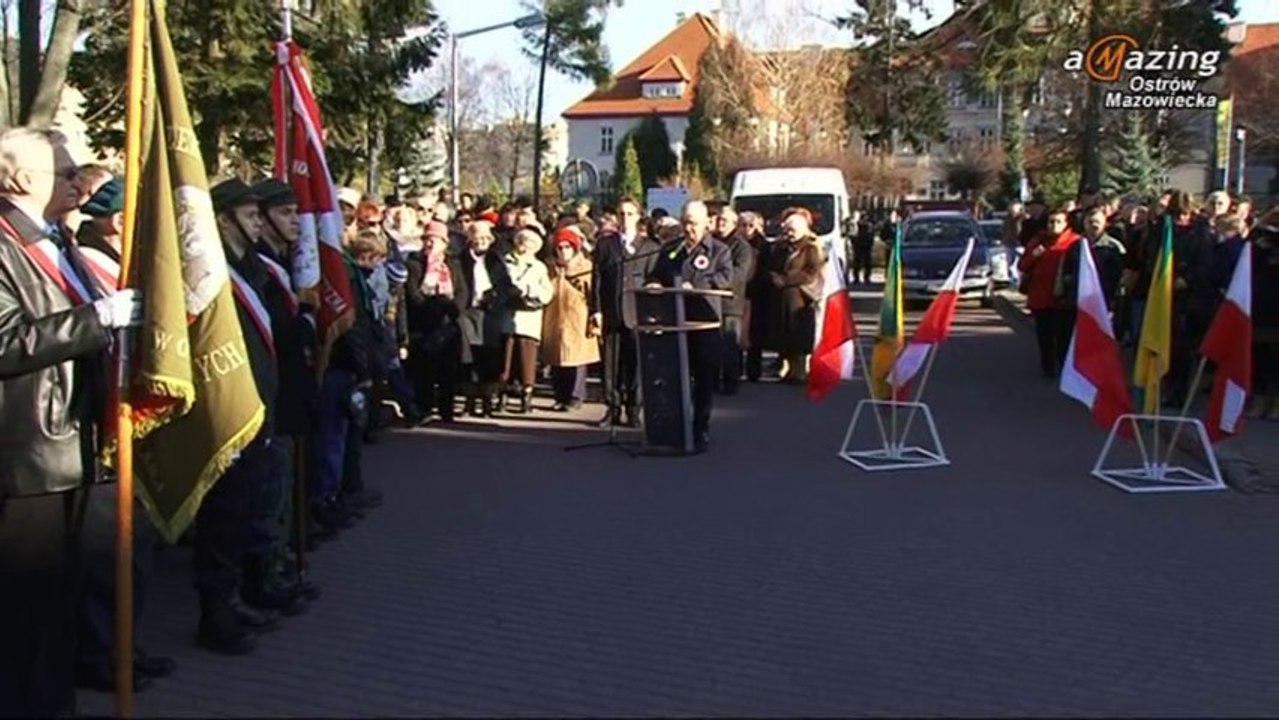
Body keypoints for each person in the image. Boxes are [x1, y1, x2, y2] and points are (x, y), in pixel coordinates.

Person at [0, 129, 141, 715]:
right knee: (23, 609)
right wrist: (97, 319)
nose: (78, 181)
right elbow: (6, 340)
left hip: (75, 440)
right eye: (63, 170)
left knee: (60, 601)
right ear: (20, 179)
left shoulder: (56, 239)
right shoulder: (6, 245)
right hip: (27, 454)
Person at [251, 178, 322, 605]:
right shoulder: (258, 266)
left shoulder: (281, 262)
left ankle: (278, 567)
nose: (296, 221)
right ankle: (264, 578)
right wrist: (304, 321)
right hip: (271, 392)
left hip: (291, 389)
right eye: (284, 214)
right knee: (267, 490)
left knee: (279, 485)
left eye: (297, 213)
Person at [645, 200, 732, 452]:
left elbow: (726, 278)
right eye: (684, 222)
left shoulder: (718, 250)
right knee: (675, 376)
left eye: (693, 223)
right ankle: (675, 426)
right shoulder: (672, 249)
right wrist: (655, 285)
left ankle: (700, 426)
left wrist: (697, 286)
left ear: (707, 223)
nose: (688, 228)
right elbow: (657, 274)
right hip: (674, 322)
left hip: (703, 322)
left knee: (703, 378)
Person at [591, 196, 661, 427]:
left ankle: (634, 409)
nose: (625, 218)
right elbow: (598, 279)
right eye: (621, 214)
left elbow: (656, 277)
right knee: (610, 364)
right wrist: (596, 310)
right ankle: (612, 408)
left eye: (630, 214)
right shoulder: (606, 244)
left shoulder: (649, 247)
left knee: (636, 364)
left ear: (638, 216)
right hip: (612, 312)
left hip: (637, 313)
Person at [404, 221, 462, 423]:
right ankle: (425, 407)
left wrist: (451, 308)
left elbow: (462, 291)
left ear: (445, 243)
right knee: (423, 372)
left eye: (435, 240)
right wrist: (435, 306)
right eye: (427, 239)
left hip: (448, 325)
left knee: (448, 372)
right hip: (422, 324)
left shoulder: (453, 264)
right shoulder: (414, 264)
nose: (430, 243)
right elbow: (413, 294)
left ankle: (447, 410)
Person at [457, 219, 515, 417]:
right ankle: (470, 400)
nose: (481, 241)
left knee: (489, 357)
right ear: (470, 239)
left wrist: (496, 297)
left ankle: (487, 401)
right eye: (477, 238)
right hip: (468, 312)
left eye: (485, 238)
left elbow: (506, 286)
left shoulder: (495, 260)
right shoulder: (461, 259)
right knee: (469, 357)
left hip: (490, 313)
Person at [542, 226, 599, 411]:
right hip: (554, 317)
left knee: (577, 360)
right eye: (560, 247)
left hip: (578, 317)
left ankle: (576, 396)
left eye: (567, 247)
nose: (563, 251)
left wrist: (594, 315)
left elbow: (593, 293)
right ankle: (560, 396)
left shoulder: (586, 267)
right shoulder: (549, 268)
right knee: (557, 359)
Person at [1018, 207, 1080, 378]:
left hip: (1064, 299)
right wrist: (1034, 256)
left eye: (1058, 221)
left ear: (1066, 224)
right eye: (1051, 221)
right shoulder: (1038, 241)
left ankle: (1066, 368)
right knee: (1044, 336)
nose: (1054, 225)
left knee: (1064, 336)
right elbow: (1022, 266)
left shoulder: (1075, 242)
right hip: (1041, 297)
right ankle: (1048, 368)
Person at [766, 208, 825, 384]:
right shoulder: (781, 247)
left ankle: (799, 371)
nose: (789, 234)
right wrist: (774, 277)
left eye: (792, 230)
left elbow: (811, 272)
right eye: (787, 230)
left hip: (801, 300)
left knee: (798, 336)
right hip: (782, 299)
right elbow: (773, 265)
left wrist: (785, 280)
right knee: (784, 335)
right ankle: (787, 369)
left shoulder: (810, 248)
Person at [713, 204, 755, 395]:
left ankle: (731, 381)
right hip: (711, 302)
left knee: (730, 345)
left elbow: (740, 273)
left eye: (724, 221)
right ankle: (713, 379)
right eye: (718, 220)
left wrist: (715, 281)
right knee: (712, 345)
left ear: (734, 224)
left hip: (731, 303)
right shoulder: (711, 242)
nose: (720, 224)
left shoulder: (742, 247)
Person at [850, 209, 874, 285]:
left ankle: (864, 278)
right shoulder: (858, 225)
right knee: (860, 263)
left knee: (864, 263)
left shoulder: (868, 225)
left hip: (863, 246)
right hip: (861, 246)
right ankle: (859, 278)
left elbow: (871, 235)